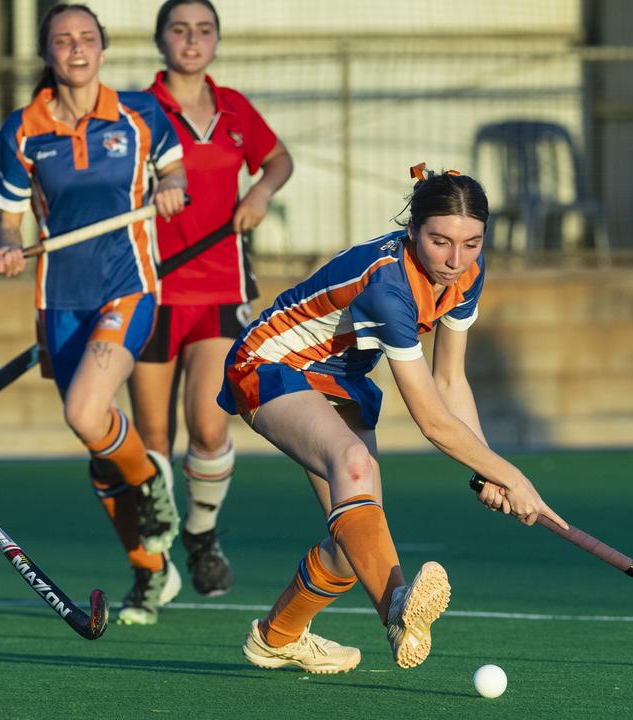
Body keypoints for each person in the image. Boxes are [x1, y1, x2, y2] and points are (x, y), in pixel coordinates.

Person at [219, 165, 568, 673]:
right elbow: (429, 416)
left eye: (471, 243)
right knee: (353, 462)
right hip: (271, 365)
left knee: (357, 541)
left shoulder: (468, 271)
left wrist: (488, 468)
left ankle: (277, 636)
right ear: (413, 231)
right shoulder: (388, 286)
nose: (454, 259)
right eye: (440, 241)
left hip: (339, 378)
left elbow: (451, 381)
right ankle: (399, 608)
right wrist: (511, 475)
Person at [0, 4, 187, 626]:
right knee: (99, 451)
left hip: (126, 287)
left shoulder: (141, 115)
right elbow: (10, 217)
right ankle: (150, 572)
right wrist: (7, 244)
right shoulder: (23, 129)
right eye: (63, 40)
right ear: (47, 53)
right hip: (59, 299)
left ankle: (152, 484)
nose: (76, 49)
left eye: (87, 39)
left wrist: (169, 188)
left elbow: (173, 169)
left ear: (104, 48)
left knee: (85, 411)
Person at [131, 0, 293, 602]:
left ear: (217, 41)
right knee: (153, 435)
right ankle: (154, 556)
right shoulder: (138, 110)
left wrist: (262, 192)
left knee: (208, 419)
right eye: (179, 29)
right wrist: (154, 189)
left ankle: (201, 535)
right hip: (149, 289)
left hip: (220, 288)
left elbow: (278, 159)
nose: (192, 40)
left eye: (203, 30)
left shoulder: (234, 109)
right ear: (159, 39)